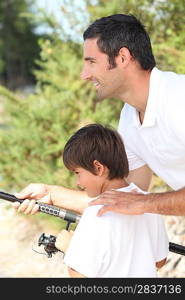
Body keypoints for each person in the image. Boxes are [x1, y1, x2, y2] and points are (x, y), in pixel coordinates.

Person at [13, 13, 185, 217]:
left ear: (122, 57)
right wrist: (53, 195)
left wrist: (144, 203)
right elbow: (121, 199)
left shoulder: (178, 98)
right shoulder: (129, 118)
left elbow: (136, 202)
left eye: (91, 62)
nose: (84, 75)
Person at [54, 123, 168, 278]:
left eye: (77, 173)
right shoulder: (149, 204)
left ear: (98, 168)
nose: (78, 183)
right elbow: (160, 262)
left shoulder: (96, 211)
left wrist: (70, 248)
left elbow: (79, 276)